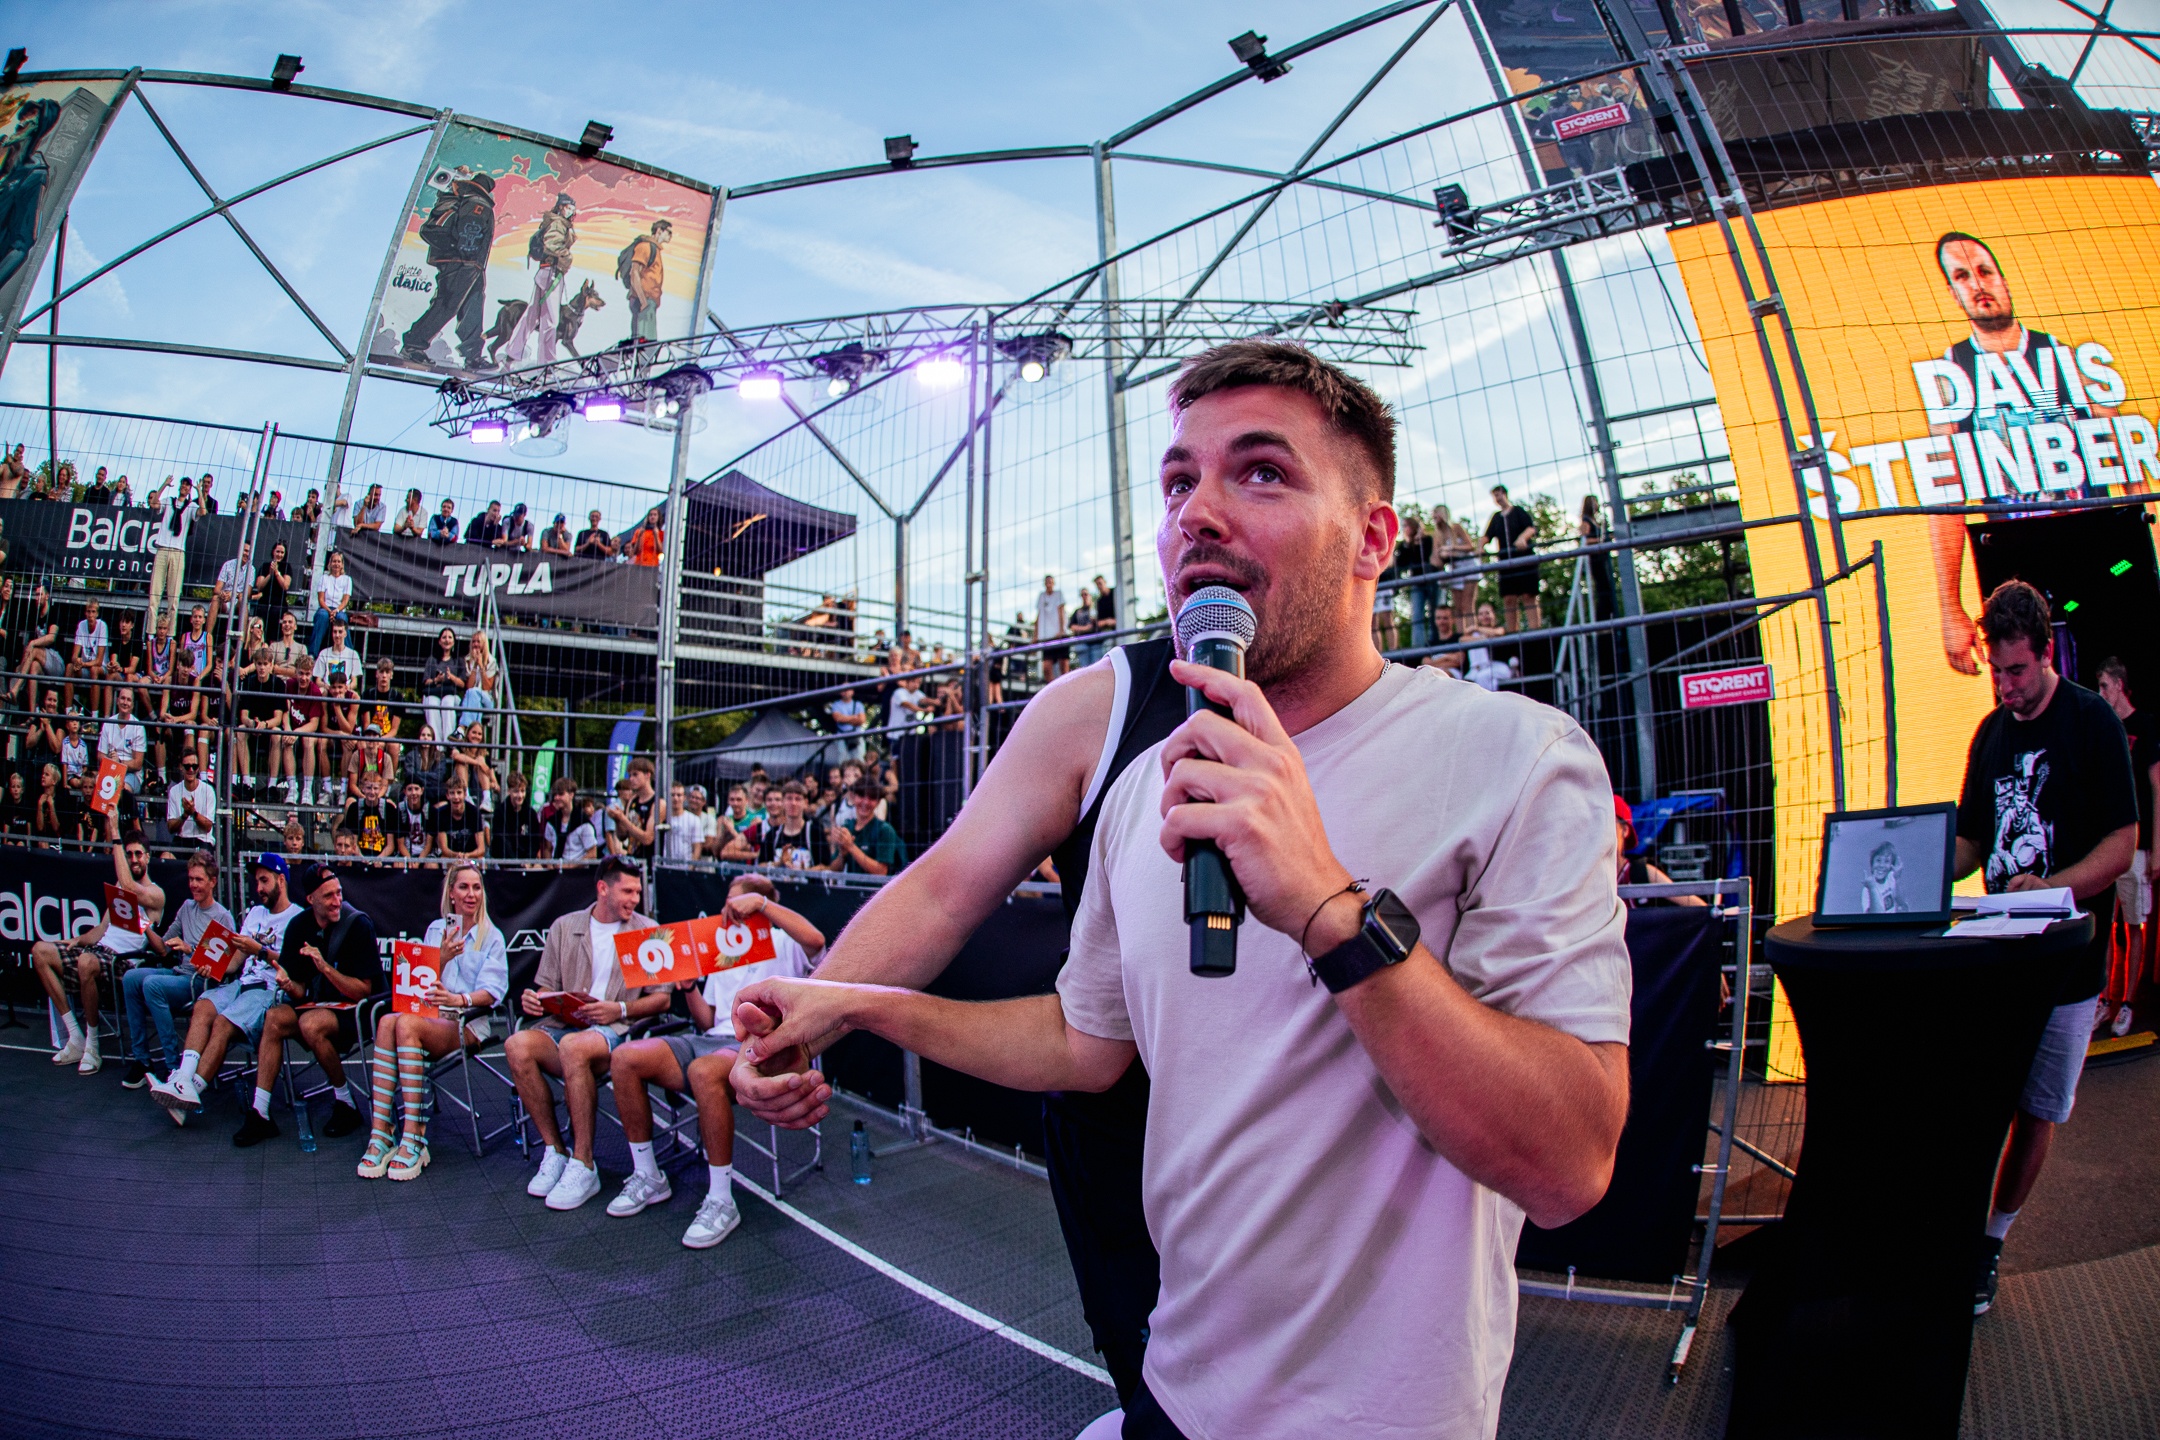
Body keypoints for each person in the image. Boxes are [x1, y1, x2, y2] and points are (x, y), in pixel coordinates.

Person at [731, 340, 1631, 1430]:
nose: (1196, 512)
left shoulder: (1516, 758)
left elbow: (1567, 1165)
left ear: (1373, 539)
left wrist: (1326, 909)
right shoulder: (1137, 780)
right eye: (1176, 483)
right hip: (1176, 1376)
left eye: (1262, 473)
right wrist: (848, 1006)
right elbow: (1077, 1033)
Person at [1956, 579, 2136, 1317]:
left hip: (2068, 963)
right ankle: (1957, 1234)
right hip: (1995, 959)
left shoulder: (2092, 722)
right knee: (1979, 1101)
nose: (2006, 687)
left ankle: (1991, 1243)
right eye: (1997, 672)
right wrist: (1907, 862)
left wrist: (2050, 888)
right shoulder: (1990, 732)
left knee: (2037, 1110)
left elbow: (2122, 844)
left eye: (2018, 671)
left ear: (2047, 653)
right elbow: (1972, 841)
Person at [1927, 233, 2124, 676]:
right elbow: (1944, 496)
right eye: (1963, 276)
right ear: (1953, 292)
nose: (1978, 284)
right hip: (2016, 576)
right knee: (2034, 690)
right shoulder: (1951, 375)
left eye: (1984, 271)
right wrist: (1950, 608)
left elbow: (2127, 470)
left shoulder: (2066, 359)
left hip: (2097, 561)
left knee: (2116, 681)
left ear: (2003, 279)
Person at [603, 874, 824, 1247]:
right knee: (624, 1057)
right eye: (728, 900)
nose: (728, 908)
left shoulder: (784, 942)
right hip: (710, 1040)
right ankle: (648, 1175)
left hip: (762, 1047)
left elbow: (816, 942)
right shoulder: (725, 950)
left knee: (703, 1071)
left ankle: (721, 1199)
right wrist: (689, 986)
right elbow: (707, 1020)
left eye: (737, 901)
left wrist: (764, 906)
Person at [506, 857, 664, 1210]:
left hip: (616, 1032)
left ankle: (584, 1163)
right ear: (603, 889)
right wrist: (536, 1000)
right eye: (628, 891)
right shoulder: (564, 926)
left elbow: (662, 999)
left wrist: (618, 1009)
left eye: (638, 892)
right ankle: (555, 1151)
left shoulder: (648, 930)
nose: (635, 899)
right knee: (517, 1044)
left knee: (573, 1047)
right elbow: (546, 987)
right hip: (564, 1027)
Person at [359, 861, 508, 1181]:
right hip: (430, 1014)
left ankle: (414, 1136)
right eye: (464, 887)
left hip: (467, 1022)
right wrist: (441, 957)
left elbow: (493, 993)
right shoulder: (436, 930)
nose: (471, 894)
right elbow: (421, 981)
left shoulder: (491, 936)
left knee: (406, 1024)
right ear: (451, 893)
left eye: (477, 887)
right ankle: (381, 1132)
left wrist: (458, 1000)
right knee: (387, 1022)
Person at [226, 863, 382, 1146]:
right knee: (274, 1017)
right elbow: (299, 991)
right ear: (311, 899)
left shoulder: (358, 924)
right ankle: (260, 1113)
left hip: (356, 1010)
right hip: (316, 1004)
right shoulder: (299, 926)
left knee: (310, 1023)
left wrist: (325, 969)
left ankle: (346, 1104)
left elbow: (363, 991)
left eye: (339, 893)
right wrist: (289, 984)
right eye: (328, 896)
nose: (337, 901)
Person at [35, 819, 165, 1075]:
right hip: (98, 952)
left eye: (138, 854)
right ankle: (75, 1037)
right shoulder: (119, 887)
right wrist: (77, 940)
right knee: (41, 951)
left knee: (86, 962)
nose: (134, 859)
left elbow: (131, 888)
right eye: (129, 854)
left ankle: (92, 1046)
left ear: (148, 857)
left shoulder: (155, 893)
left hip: (124, 961)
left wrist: (114, 831)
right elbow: (101, 930)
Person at [119, 847, 234, 1087]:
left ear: (212, 882)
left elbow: (219, 969)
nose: (193, 885)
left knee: (152, 985)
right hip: (180, 974)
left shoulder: (222, 917)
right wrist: (143, 925)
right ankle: (142, 1060)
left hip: (201, 983)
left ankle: (173, 1066)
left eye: (199, 880)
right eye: (191, 879)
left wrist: (189, 949)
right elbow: (163, 948)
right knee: (131, 977)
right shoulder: (186, 907)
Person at [2096, 656, 2160, 1035]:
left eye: (2104, 685)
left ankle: (2128, 1003)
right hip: (2109, 843)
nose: (2101, 692)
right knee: (2106, 924)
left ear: (2119, 685)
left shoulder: (2144, 726)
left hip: (2137, 846)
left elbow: (2156, 788)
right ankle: (2105, 999)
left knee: (2134, 924)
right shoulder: (2106, 726)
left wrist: (2157, 848)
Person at [400, 168, 496, 371]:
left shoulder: (460, 199)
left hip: (465, 262)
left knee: (472, 307)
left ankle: (473, 357)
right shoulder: (478, 203)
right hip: (464, 261)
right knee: (447, 305)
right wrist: (467, 255)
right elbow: (471, 228)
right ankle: (414, 344)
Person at [1613, 795, 1706, 907]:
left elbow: (1696, 905)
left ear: (1625, 830)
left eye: (1609, 825)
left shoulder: (1641, 872)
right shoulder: (1593, 877)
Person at [1483, 482, 1541, 632]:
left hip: (1524, 560)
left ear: (1505, 494)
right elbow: (1487, 536)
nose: (1497, 498)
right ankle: (1513, 633)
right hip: (1506, 563)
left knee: (1528, 595)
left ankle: (1535, 630)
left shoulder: (1518, 511)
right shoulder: (1496, 517)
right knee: (1509, 598)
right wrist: (1479, 547)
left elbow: (1531, 528)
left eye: (1498, 494)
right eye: (1495, 496)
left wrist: (1522, 538)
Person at [144, 474, 196, 641]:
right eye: (183, 484)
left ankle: (170, 634)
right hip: (163, 548)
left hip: (178, 551)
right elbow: (154, 504)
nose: (184, 487)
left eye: (187, 485)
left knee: (174, 596)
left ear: (189, 489)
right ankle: (151, 632)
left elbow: (203, 512)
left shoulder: (191, 506)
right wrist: (164, 485)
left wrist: (199, 492)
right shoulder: (169, 501)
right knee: (155, 593)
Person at [825, 780, 906, 876]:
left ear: (878, 802)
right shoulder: (847, 827)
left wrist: (851, 847)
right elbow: (834, 870)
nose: (866, 802)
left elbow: (881, 871)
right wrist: (842, 854)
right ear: (853, 797)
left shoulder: (885, 830)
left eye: (871, 798)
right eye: (861, 796)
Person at [753, 780, 830, 870]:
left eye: (798, 799)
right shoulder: (772, 834)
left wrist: (804, 872)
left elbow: (826, 866)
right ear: (783, 802)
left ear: (805, 803)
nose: (793, 803)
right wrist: (779, 863)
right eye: (789, 798)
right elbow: (760, 866)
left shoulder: (815, 833)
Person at [619, 218, 672, 342]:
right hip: (643, 300)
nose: (671, 236)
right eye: (669, 232)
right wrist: (643, 301)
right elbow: (634, 273)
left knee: (644, 344)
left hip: (648, 301)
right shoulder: (646, 247)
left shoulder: (655, 249)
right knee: (645, 345)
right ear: (659, 231)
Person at [606, 756, 663, 860]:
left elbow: (647, 839)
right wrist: (617, 820)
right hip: (632, 859)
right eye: (630, 775)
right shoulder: (633, 801)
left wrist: (623, 819)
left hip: (650, 861)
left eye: (635, 774)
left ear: (647, 775)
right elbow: (622, 836)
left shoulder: (658, 803)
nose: (631, 779)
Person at [419, 627, 466, 743]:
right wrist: (436, 680)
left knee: (447, 702)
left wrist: (451, 677)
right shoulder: (432, 659)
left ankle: (448, 743)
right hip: (434, 693)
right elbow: (425, 681)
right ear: (439, 641)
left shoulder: (458, 660)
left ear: (453, 641)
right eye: (444, 637)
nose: (447, 640)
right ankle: (436, 745)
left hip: (451, 695)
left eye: (450, 637)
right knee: (431, 703)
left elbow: (462, 684)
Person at [64, 597, 109, 714]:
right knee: (69, 667)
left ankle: (94, 716)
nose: (90, 615)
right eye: (88, 611)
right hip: (85, 667)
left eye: (93, 612)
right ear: (85, 613)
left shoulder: (102, 626)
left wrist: (83, 664)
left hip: (100, 668)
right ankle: (68, 712)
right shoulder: (81, 625)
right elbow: (74, 655)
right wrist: (77, 661)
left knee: (94, 670)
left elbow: (99, 661)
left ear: (97, 613)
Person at [166, 751, 216, 849]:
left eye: (194, 766)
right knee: (165, 856)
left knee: (200, 858)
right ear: (181, 767)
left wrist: (193, 813)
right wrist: (184, 815)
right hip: (181, 839)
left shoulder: (208, 790)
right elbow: (171, 828)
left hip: (203, 840)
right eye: (187, 766)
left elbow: (208, 827)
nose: (191, 770)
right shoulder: (174, 791)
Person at [433, 780, 489, 863]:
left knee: (481, 860)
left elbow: (481, 849)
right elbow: (444, 849)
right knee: (444, 858)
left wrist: (467, 855)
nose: (456, 797)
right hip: (451, 857)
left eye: (459, 793)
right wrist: (458, 855)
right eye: (452, 793)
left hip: (470, 855)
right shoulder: (441, 813)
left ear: (465, 794)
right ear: (447, 796)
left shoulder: (474, 812)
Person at [492, 769, 542, 862]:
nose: (520, 795)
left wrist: (528, 861)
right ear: (509, 791)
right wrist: (515, 863)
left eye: (522, 791)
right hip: (504, 861)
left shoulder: (531, 813)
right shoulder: (500, 812)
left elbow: (534, 841)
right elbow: (502, 841)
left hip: (527, 862)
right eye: (516, 791)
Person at [310, 550, 353, 655]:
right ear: (330, 563)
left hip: (339, 609)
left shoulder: (347, 579)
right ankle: (312, 653)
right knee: (322, 616)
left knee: (342, 618)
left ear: (342, 564)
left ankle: (349, 654)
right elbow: (321, 600)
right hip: (325, 608)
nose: (336, 564)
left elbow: (345, 600)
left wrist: (336, 611)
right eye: (334, 561)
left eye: (338, 561)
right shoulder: (324, 578)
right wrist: (330, 611)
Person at [458, 631, 497, 728]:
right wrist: (475, 666)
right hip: (471, 698)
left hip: (487, 699)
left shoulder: (491, 661)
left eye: (478, 641)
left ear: (484, 643)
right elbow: (469, 687)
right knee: (475, 700)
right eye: (473, 641)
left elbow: (487, 687)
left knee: (474, 692)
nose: (475, 644)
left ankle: (463, 727)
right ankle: (475, 732)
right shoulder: (467, 660)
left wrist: (481, 666)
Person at [396, 777, 435, 865]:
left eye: (416, 789)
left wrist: (418, 862)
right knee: (398, 864)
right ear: (405, 791)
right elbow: (400, 844)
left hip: (425, 853)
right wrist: (410, 861)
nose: (413, 793)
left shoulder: (429, 810)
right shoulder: (400, 810)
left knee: (432, 865)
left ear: (422, 790)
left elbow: (429, 844)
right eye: (410, 789)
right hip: (406, 853)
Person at [1036, 574, 1068, 682]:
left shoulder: (1058, 594)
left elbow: (1061, 611)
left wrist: (1062, 630)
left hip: (1059, 635)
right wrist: (1036, 635)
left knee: (1064, 666)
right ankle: (1053, 689)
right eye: (1047, 582)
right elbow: (1039, 615)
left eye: (1050, 582)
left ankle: (1066, 687)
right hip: (1047, 637)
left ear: (1053, 583)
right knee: (1046, 667)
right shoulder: (1042, 596)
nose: (1049, 584)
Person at [252, 539, 294, 616]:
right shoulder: (265, 566)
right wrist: (270, 574)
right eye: (277, 552)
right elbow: (259, 586)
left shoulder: (287, 567)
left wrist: (277, 572)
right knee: (261, 611)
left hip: (279, 602)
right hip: (265, 600)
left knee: (275, 612)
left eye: (282, 552)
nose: (279, 555)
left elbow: (285, 586)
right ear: (273, 552)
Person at [828, 686, 866, 762]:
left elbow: (862, 720)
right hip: (842, 737)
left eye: (848, 689)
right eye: (843, 689)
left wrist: (844, 718)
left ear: (852, 692)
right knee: (843, 761)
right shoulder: (836, 705)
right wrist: (854, 717)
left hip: (856, 736)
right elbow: (837, 718)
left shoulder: (858, 704)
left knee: (859, 760)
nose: (845, 692)